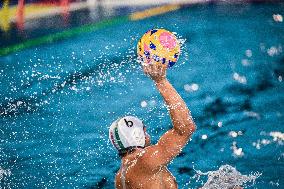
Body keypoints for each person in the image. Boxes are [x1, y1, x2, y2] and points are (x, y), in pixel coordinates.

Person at [109, 62, 196, 189]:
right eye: (144, 130)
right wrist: (160, 81)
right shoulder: (146, 160)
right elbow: (186, 128)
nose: (147, 132)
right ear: (136, 135)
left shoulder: (120, 177)